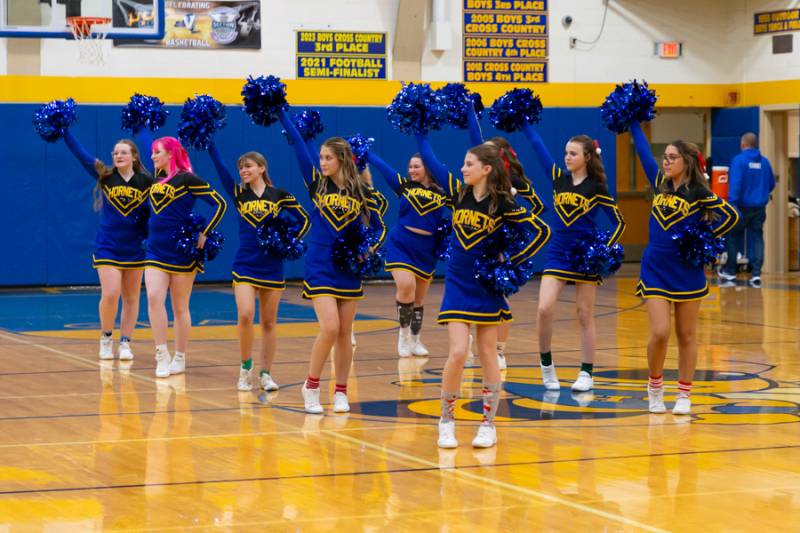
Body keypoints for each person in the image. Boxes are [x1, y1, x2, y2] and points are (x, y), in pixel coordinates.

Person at [417, 136, 550, 449]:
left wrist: (511, 262)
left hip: (486, 286)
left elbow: (541, 232)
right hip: (457, 283)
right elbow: (430, 158)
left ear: (486, 169)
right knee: (459, 353)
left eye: (469, 164)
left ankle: (488, 425)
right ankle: (446, 420)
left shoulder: (502, 203)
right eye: (464, 163)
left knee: (488, 353)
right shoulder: (458, 193)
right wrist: (423, 131)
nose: (462, 168)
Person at [278, 109, 386, 414]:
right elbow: (300, 146)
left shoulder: (363, 192)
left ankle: (340, 391)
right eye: (321, 157)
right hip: (320, 265)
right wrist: (281, 113)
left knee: (344, 332)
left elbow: (380, 228)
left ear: (342, 159)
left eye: (328, 158)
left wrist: (367, 250)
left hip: (349, 267)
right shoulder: (317, 185)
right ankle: (310, 386)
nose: (322, 162)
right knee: (330, 326)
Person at [629, 121, 738, 414]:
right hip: (655, 267)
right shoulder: (658, 184)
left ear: (687, 162)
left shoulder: (699, 193)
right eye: (664, 156)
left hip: (687, 269)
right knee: (660, 332)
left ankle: (684, 394)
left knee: (687, 334)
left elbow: (731, 217)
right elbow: (642, 152)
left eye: (672, 157)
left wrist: (705, 237)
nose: (666, 161)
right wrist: (632, 121)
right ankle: (654, 386)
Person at [523, 125, 626, 392]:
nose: (567, 157)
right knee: (544, 308)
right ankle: (547, 367)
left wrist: (603, 250)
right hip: (558, 252)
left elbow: (619, 224)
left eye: (573, 153)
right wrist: (524, 123)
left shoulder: (597, 187)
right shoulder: (558, 178)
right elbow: (537, 146)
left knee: (584, 314)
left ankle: (586, 372)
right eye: (566, 153)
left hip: (585, 256)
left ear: (587, 157)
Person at [208, 147, 309, 392]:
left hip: (272, 265)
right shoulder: (238, 194)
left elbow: (304, 221)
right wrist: (211, 144)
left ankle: (266, 373)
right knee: (245, 314)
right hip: (245, 263)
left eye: (248, 166)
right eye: (241, 167)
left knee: (269, 323)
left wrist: (287, 241)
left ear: (262, 168)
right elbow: (221, 168)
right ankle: (245, 368)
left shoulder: (280, 195)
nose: (243, 170)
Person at [465, 102, 546, 369]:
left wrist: (513, 214)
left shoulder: (514, 181)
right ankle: (466, 348)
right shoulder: (477, 182)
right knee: (465, 293)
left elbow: (540, 207)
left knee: (499, 298)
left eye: (488, 150)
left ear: (499, 155)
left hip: (498, 243)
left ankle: (499, 350)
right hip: (477, 236)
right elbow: (473, 138)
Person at [60, 134, 152, 361]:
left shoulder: (147, 182)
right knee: (111, 293)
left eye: (123, 152)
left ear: (134, 157)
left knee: (131, 298)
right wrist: (64, 131)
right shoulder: (106, 175)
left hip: (135, 246)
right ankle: (106, 337)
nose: (118, 155)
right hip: (108, 245)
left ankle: (125, 342)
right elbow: (81, 155)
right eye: (115, 152)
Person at [146, 136, 227, 378]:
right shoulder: (155, 179)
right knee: (153, 297)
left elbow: (219, 204)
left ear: (170, 153)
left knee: (180, 306)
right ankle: (161, 354)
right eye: (152, 152)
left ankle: (180, 356)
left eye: (157, 152)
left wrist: (205, 231)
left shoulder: (188, 178)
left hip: (182, 251)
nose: (152, 156)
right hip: (155, 249)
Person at [366, 149, 449, 358]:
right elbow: (384, 168)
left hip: (426, 249)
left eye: (416, 166)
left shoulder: (443, 192)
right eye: (410, 166)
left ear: (428, 168)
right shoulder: (404, 186)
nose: (411, 170)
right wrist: (366, 152)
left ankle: (415, 339)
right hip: (401, 244)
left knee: (419, 299)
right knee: (406, 286)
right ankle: (403, 335)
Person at [719, 132, 775, 288]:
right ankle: (756, 274)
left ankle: (730, 270)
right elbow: (771, 184)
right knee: (757, 237)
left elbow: (735, 183)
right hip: (759, 207)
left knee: (732, 235)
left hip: (740, 207)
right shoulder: (765, 162)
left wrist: (732, 204)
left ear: (743, 144)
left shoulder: (739, 160)